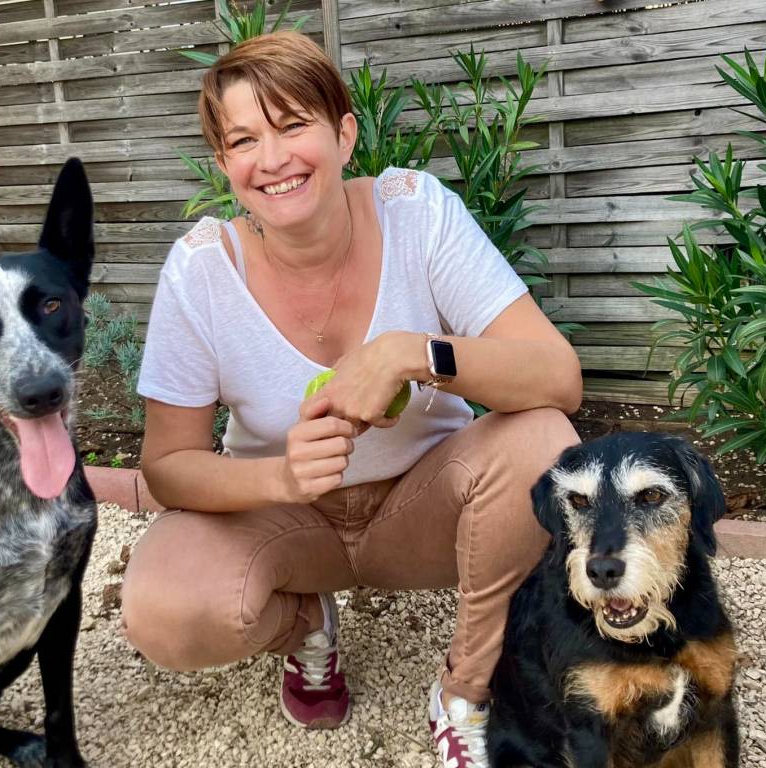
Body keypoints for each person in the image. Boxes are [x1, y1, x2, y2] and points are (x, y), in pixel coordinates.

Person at [120, 31, 582, 768]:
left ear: (344, 134)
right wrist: (282, 476)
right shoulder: (201, 272)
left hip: (423, 511)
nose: (272, 158)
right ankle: (305, 622)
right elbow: (167, 465)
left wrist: (413, 353)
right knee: (163, 609)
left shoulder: (416, 214)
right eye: (243, 140)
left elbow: (557, 376)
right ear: (224, 165)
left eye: (292, 125)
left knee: (542, 444)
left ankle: (467, 690)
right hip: (288, 524)